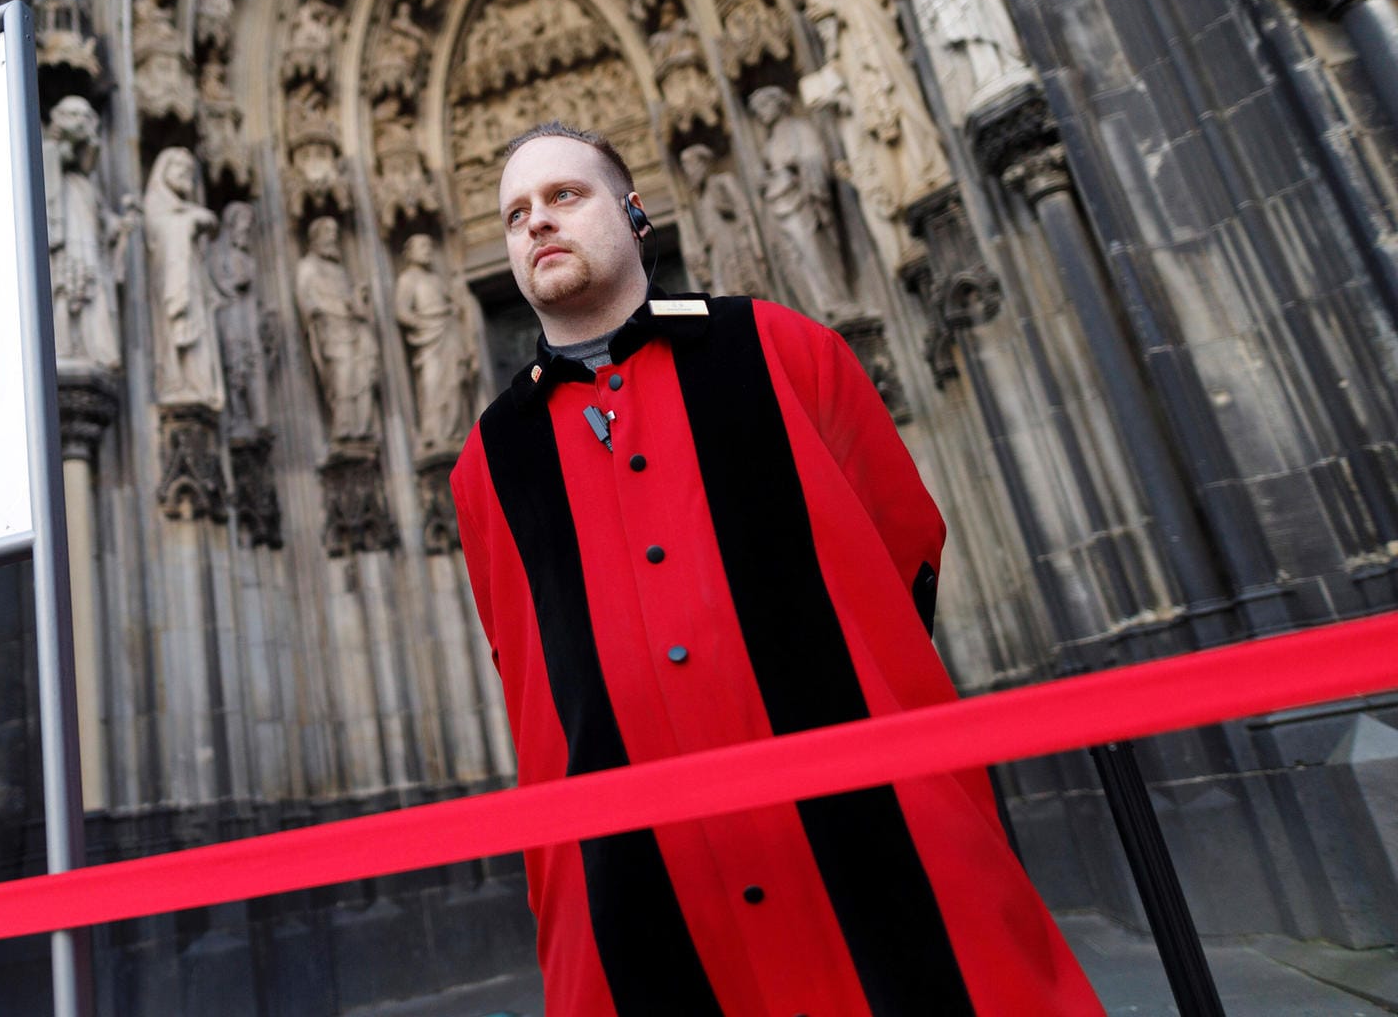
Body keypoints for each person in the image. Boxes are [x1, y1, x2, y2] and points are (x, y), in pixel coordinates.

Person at [449, 122, 1102, 1016]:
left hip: (867, 826)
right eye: (516, 214)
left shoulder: (779, 349)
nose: (537, 224)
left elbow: (904, 541)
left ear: (635, 213)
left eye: (566, 195)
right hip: (635, 878)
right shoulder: (489, 460)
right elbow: (520, 657)